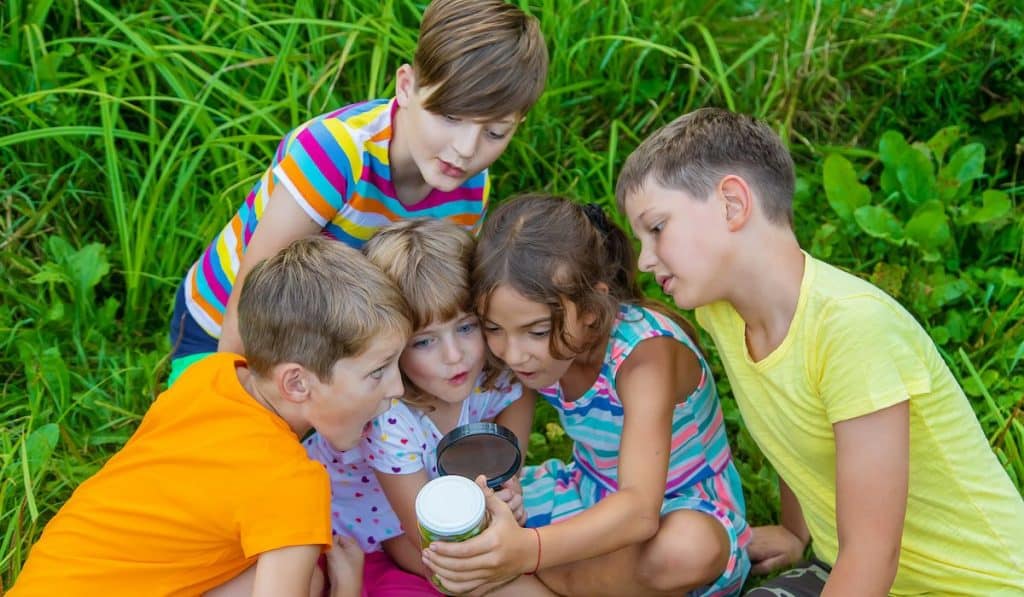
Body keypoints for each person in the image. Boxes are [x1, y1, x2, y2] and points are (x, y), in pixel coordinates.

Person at [616, 107, 1024, 595]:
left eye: (657, 227)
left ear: (731, 204)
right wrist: (795, 530)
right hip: (848, 571)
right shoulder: (723, 314)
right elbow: (791, 423)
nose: (643, 260)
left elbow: (874, 555)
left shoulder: (852, 329)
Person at [167, 0, 548, 383]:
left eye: (495, 132)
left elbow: (427, 299)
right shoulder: (336, 153)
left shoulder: (470, 185)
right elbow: (254, 292)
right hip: (223, 326)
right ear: (407, 86)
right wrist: (232, 391)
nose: (466, 149)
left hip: (334, 337)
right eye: (450, 116)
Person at [10, 237, 411, 597]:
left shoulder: (210, 376)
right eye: (378, 371)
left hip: (47, 580)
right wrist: (348, 591)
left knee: (304, 578)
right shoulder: (292, 485)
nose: (397, 388)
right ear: (297, 384)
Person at [422, 195, 751, 596]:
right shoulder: (536, 355)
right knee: (466, 532)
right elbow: (514, 429)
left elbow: (640, 512)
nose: (511, 352)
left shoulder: (645, 357)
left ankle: (525, 578)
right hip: (587, 492)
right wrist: (510, 492)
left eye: (537, 331)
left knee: (687, 548)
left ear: (593, 310)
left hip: (672, 510)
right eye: (493, 329)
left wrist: (529, 550)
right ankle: (531, 577)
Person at [303, 219, 541, 595]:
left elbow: (517, 405)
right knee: (458, 576)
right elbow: (422, 537)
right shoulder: (390, 418)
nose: (455, 356)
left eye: (466, 327)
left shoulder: (491, 373)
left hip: (431, 495)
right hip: (372, 519)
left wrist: (503, 482)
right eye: (424, 342)